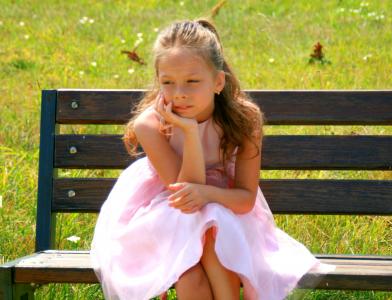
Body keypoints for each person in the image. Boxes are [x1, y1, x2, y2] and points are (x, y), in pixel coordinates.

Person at [90, 18, 335, 300]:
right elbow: (184, 197)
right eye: (168, 82)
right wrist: (189, 133)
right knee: (191, 281)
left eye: (192, 81)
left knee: (217, 236)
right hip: (165, 216)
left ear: (218, 81)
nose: (179, 93)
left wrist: (207, 193)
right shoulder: (150, 125)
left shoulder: (245, 119)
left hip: (228, 209)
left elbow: (244, 199)